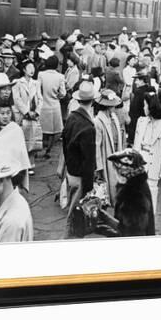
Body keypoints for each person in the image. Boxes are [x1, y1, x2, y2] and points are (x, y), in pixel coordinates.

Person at [62, 81, 97, 238]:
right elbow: (89, 161)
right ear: (92, 101)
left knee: (73, 211)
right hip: (80, 177)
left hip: (70, 172)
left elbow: (64, 145)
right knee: (76, 217)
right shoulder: (88, 127)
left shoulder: (71, 118)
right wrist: (89, 187)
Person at [133, 92, 161, 213]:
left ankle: (150, 223)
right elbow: (136, 144)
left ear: (151, 106)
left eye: (145, 105)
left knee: (151, 197)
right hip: (140, 165)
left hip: (154, 166)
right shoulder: (141, 122)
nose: (143, 108)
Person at [107, 148, 155, 236]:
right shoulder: (136, 185)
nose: (115, 174)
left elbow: (132, 231)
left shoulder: (133, 194)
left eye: (117, 170)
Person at [94, 89, 124, 206]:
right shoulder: (98, 121)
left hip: (116, 154)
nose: (114, 107)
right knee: (106, 189)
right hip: (105, 155)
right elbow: (96, 146)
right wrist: (99, 168)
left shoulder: (114, 117)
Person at [13, 60, 43, 172]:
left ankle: (31, 164)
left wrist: (37, 111)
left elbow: (40, 98)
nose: (32, 70)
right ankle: (22, 165)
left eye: (33, 67)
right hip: (22, 115)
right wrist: (26, 111)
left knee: (33, 139)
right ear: (24, 69)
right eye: (29, 67)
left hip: (34, 115)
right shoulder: (17, 82)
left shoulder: (36, 83)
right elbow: (17, 99)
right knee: (22, 139)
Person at [37, 55, 66, 158]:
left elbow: (37, 90)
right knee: (54, 131)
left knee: (42, 129)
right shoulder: (60, 76)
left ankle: (39, 149)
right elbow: (63, 93)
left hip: (43, 104)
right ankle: (48, 150)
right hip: (54, 105)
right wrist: (57, 96)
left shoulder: (41, 74)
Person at [127, 72, 153, 144]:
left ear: (142, 81)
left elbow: (133, 109)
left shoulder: (138, 92)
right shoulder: (151, 89)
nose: (135, 82)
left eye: (137, 80)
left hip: (138, 120)